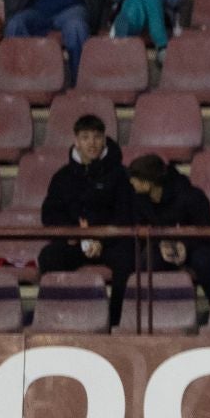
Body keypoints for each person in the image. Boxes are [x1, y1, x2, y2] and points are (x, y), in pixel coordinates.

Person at [39, 113, 137, 326]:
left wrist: (100, 239)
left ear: (104, 139)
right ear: (76, 141)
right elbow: (50, 214)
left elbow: (125, 215)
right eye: (85, 137)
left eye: (96, 137)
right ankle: (61, 319)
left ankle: (114, 323)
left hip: (110, 242)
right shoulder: (62, 176)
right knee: (49, 257)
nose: (92, 143)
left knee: (127, 259)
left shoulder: (120, 174)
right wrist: (74, 234)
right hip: (75, 240)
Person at [127, 153, 210, 311]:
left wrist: (185, 246)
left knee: (202, 261)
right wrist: (161, 244)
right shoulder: (138, 199)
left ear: (148, 182)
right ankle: (152, 313)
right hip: (161, 244)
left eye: (134, 179)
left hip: (195, 244)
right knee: (147, 259)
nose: (131, 182)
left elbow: (208, 231)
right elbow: (141, 228)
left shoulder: (191, 196)